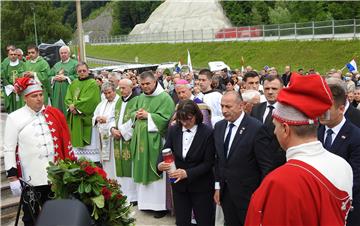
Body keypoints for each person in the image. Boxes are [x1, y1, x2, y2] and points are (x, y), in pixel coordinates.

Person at [245, 73, 353, 226]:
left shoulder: (278, 182)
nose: (274, 132)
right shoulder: (343, 165)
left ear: (285, 129)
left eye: (275, 126)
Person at [4, 77, 74, 226]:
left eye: (41, 95)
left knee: (57, 216)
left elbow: (64, 142)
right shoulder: (14, 117)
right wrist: (12, 177)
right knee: (31, 217)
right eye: (34, 96)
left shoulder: (53, 113)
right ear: (25, 98)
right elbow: (9, 149)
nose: (39, 99)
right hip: (30, 179)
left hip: (54, 177)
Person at [213, 91, 273, 226]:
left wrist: (261, 195)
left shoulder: (256, 128)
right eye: (222, 106)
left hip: (249, 196)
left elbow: (266, 166)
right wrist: (218, 187)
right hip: (226, 193)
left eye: (228, 107)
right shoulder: (219, 127)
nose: (224, 110)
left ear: (241, 106)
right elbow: (218, 160)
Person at [158, 100, 215, 226]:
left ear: (196, 115)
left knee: (204, 220)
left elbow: (208, 163)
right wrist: (160, 164)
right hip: (179, 186)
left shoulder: (207, 133)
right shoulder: (174, 130)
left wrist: (187, 173)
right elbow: (166, 149)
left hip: (201, 186)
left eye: (189, 119)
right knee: (182, 221)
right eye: (182, 120)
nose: (185, 123)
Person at [130, 71, 175, 217]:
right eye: (142, 84)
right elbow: (132, 112)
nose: (145, 87)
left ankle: (160, 206)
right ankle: (145, 203)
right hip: (141, 140)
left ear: (155, 81)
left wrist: (148, 115)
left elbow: (166, 119)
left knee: (155, 170)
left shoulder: (164, 98)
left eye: (148, 83)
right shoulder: (141, 97)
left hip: (155, 142)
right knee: (141, 169)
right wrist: (136, 115)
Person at [318, 83, 360, 226]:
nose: (321, 112)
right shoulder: (315, 131)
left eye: (326, 108)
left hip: (343, 210)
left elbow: (355, 178)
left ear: (341, 109)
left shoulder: (356, 137)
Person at [108, 78, 139, 203]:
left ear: (131, 87)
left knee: (130, 166)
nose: (121, 90)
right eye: (119, 88)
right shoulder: (118, 102)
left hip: (128, 139)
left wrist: (122, 131)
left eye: (124, 88)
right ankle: (122, 194)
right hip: (117, 139)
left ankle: (133, 197)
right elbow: (111, 118)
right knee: (119, 167)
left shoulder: (137, 100)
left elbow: (135, 119)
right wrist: (111, 129)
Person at [65, 62, 101, 161]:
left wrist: (76, 107)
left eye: (84, 71)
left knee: (89, 150)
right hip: (75, 117)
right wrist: (71, 106)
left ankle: (92, 162)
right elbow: (68, 97)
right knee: (77, 153)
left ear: (88, 71)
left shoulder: (92, 83)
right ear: (76, 72)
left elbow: (91, 99)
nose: (82, 73)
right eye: (79, 71)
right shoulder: (74, 83)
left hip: (85, 118)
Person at [251, 75, 286, 168]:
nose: (270, 92)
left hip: (279, 164)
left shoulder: (287, 111)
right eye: (267, 88)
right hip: (255, 163)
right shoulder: (256, 109)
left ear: (282, 89)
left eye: (274, 88)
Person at [92, 82, 120, 166]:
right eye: (105, 93)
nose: (107, 95)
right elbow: (94, 115)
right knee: (105, 161)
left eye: (109, 92)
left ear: (114, 91)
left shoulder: (120, 102)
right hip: (102, 135)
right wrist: (97, 119)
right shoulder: (102, 103)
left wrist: (106, 120)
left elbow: (120, 117)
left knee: (114, 160)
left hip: (112, 135)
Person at [49, 46, 78, 116]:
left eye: (65, 53)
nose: (63, 54)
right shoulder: (56, 65)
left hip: (68, 91)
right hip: (57, 93)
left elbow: (78, 76)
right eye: (61, 53)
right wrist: (54, 78)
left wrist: (66, 78)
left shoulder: (75, 64)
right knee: (57, 112)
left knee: (67, 111)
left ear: (69, 53)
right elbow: (49, 76)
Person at [2, 48, 25, 113]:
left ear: (17, 55)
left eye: (15, 54)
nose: (13, 56)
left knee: (21, 108)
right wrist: (11, 87)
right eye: (11, 54)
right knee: (11, 110)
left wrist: (18, 86)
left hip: (20, 90)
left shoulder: (22, 64)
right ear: (8, 55)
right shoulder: (5, 65)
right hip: (10, 90)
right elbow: (3, 77)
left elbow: (25, 76)